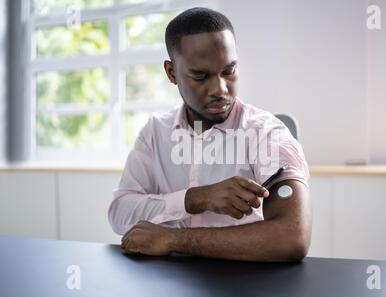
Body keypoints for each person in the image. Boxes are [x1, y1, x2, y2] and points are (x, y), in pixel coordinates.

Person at [108, 7, 312, 262]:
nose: (220, 89)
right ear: (171, 73)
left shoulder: (267, 134)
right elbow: (119, 213)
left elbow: (291, 238)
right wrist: (196, 198)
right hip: (169, 282)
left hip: (243, 286)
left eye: (229, 71)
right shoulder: (155, 132)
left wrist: (173, 239)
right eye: (201, 76)